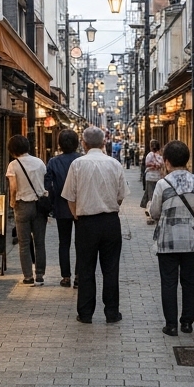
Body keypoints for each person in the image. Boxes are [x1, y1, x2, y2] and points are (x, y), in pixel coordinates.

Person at [146, 140, 194, 337]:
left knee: (168, 282)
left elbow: (155, 212)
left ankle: (171, 325)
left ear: (166, 161)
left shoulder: (162, 183)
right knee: (190, 281)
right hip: (193, 241)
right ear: (187, 160)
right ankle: (187, 323)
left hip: (168, 241)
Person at [62, 126, 127, 323]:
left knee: (86, 267)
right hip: (110, 222)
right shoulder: (114, 164)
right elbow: (120, 196)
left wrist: (77, 216)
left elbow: (70, 197)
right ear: (104, 142)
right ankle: (112, 312)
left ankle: (85, 312)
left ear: (84, 143)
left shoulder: (77, 164)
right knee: (111, 268)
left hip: (86, 222)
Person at [6, 135, 49, 286]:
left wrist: (12, 202)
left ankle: (28, 276)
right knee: (40, 242)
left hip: (22, 205)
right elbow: (45, 181)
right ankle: (40, 275)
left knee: (23, 243)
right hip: (39, 205)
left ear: (12, 149)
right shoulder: (39, 162)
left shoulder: (13, 165)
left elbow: (13, 187)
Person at [45, 129, 82, 288]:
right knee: (81, 243)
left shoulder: (53, 162)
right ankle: (79, 276)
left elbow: (48, 186)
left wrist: (51, 205)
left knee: (64, 243)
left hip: (61, 206)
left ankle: (65, 277)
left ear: (59, 144)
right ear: (77, 143)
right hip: (81, 207)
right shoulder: (82, 160)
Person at [142, 140, 165, 223]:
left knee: (150, 195)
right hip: (158, 177)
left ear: (151, 147)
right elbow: (162, 164)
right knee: (156, 195)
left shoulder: (149, 155)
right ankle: (153, 212)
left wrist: (152, 165)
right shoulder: (160, 156)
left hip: (150, 177)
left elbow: (147, 164)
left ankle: (150, 214)